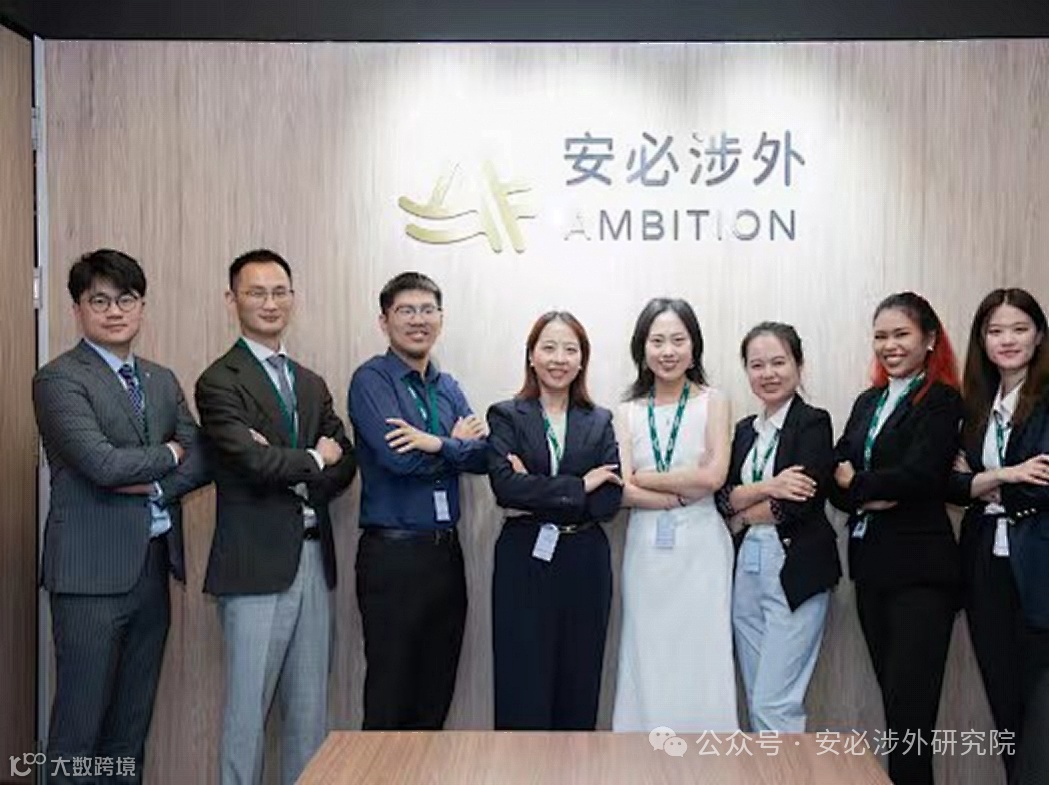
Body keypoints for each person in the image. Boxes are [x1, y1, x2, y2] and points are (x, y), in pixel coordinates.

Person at [34, 249, 209, 785]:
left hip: (151, 571)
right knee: (78, 733)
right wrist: (170, 453)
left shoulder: (160, 379)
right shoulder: (59, 379)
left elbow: (201, 457)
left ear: (142, 307)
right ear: (77, 310)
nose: (115, 311)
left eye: (126, 299)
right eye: (100, 301)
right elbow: (102, 465)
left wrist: (155, 479)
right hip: (89, 578)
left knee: (129, 731)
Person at [195, 248, 356, 785]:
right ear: (232, 300)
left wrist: (295, 463)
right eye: (256, 292)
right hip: (255, 565)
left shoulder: (310, 382)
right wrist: (313, 458)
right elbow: (251, 462)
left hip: (313, 560)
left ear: (293, 298)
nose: (270, 303)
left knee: (310, 716)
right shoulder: (219, 381)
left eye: (279, 292)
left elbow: (346, 460)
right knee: (247, 715)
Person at [830, 291, 962, 785]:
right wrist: (867, 492)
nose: (890, 345)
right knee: (896, 709)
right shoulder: (869, 402)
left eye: (901, 334)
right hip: (872, 572)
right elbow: (833, 472)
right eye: (881, 336)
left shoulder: (942, 400)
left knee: (912, 718)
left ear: (929, 339)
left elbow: (923, 476)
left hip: (921, 576)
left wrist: (859, 485)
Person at [348, 271, 488, 730]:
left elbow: (484, 456)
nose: (418, 320)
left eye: (427, 310)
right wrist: (453, 444)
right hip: (393, 556)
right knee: (390, 694)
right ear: (384, 321)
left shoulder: (448, 386)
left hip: (445, 555)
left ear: (441, 319)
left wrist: (434, 444)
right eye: (406, 310)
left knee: (435, 694)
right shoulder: (372, 379)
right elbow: (398, 458)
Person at [486, 311, 623, 730]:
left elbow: (609, 499)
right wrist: (580, 486)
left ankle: (574, 764)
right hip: (524, 557)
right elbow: (505, 488)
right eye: (548, 348)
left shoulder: (599, 420)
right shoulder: (506, 415)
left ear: (582, 360)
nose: (559, 358)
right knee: (522, 678)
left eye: (570, 349)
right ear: (531, 356)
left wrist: (535, 487)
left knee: (579, 680)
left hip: (585, 558)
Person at [612, 297, 737, 732]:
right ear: (641, 348)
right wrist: (680, 491)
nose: (668, 351)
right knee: (646, 648)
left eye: (678, 340)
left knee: (704, 650)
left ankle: (708, 758)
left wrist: (649, 478)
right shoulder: (627, 411)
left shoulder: (714, 401)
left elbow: (715, 476)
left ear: (694, 346)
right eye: (657, 341)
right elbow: (622, 488)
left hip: (703, 545)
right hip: (646, 545)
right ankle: (643, 756)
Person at [715, 322, 841, 732]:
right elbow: (721, 498)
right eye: (757, 365)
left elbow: (800, 501)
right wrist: (768, 487)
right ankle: (769, 766)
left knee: (775, 703)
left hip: (794, 566)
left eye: (778, 362)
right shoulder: (743, 431)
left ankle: (785, 767)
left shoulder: (813, 422)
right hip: (746, 570)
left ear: (798, 365)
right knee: (756, 698)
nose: (767, 373)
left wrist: (742, 512)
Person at [948, 288, 1049, 785]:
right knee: (1002, 697)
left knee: (1039, 705)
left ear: (1039, 336)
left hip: (1038, 564)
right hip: (985, 560)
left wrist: (982, 481)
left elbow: (1043, 480)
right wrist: (1007, 475)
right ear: (982, 340)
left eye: (1019, 329)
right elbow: (950, 484)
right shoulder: (976, 405)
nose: (1007, 340)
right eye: (995, 331)